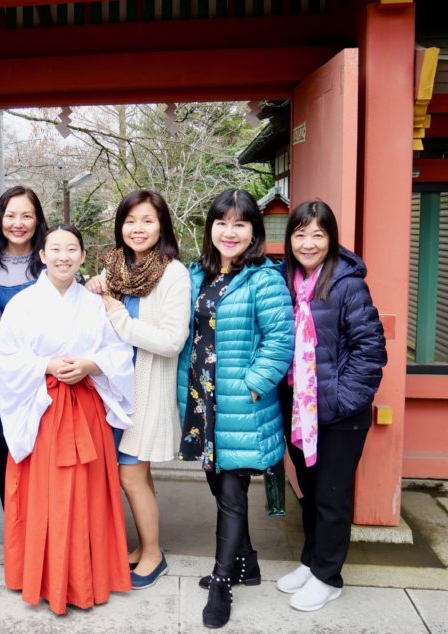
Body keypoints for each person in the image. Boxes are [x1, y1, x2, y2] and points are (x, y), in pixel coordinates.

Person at [0, 224, 136, 615]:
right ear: (42, 255)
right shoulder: (23, 303)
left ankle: (88, 574)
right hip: (43, 407)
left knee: (87, 494)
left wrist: (91, 363)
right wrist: (46, 365)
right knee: (47, 495)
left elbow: (119, 353)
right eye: (55, 249)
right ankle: (43, 577)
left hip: (86, 408)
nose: (63, 257)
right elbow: (3, 355)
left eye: (72, 249)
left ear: (83, 256)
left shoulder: (95, 304)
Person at [176, 189, 294, 629]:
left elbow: (280, 339)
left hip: (240, 403)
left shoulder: (263, 278)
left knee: (230, 495)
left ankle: (223, 581)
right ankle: (250, 564)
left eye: (240, 224)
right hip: (203, 402)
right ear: (210, 228)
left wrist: (253, 385)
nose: (230, 232)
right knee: (216, 484)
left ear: (254, 232)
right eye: (222, 223)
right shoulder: (196, 275)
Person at [277, 200, 386, 612]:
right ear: (289, 239)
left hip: (339, 413)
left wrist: (341, 400)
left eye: (318, 234)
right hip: (298, 408)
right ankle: (311, 561)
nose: (308, 243)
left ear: (331, 238)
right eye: (300, 234)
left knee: (333, 496)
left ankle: (328, 576)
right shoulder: (284, 279)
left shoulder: (347, 283)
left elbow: (370, 348)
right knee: (309, 489)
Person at [86, 189, 190, 589]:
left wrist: (118, 317)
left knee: (130, 475)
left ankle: (153, 554)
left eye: (147, 220)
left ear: (161, 224)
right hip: (112, 388)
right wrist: (99, 292)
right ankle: (147, 543)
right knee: (135, 474)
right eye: (130, 221)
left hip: (146, 387)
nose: (138, 228)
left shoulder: (173, 273)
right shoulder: (115, 269)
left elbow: (171, 341)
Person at [0, 186, 49, 507]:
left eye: (26, 215)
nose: (18, 223)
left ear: (37, 221)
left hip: (43, 376)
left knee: (44, 452)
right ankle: (16, 532)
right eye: (10, 215)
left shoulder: (52, 260)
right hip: (1, 376)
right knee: (8, 453)